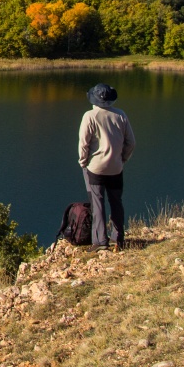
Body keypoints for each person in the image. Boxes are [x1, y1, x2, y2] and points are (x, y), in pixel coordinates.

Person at [78, 82, 135, 251]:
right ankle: (119, 239)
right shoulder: (121, 115)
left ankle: (100, 241)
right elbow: (131, 142)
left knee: (97, 203)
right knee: (116, 201)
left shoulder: (90, 116)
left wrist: (83, 162)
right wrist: (122, 159)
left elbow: (83, 143)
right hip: (116, 167)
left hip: (95, 168)